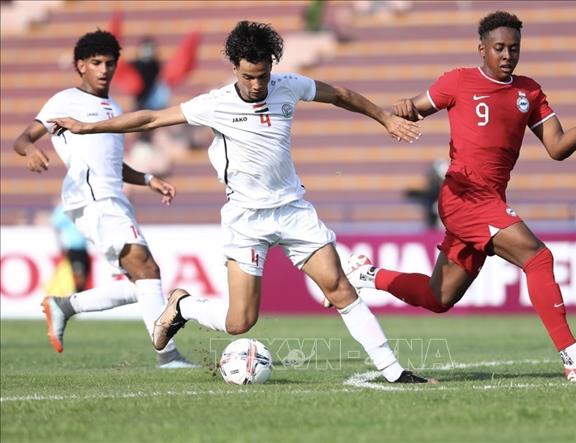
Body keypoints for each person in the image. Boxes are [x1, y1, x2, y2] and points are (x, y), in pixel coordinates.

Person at [49, 21, 427, 383]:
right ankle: (183, 306)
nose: (257, 84)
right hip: (246, 219)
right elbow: (150, 119)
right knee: (240, 322)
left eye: (262, 75)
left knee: (340, 288)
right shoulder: (215, 104)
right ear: (234, 68)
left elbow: (340, 95)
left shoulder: (289, 86)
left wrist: (385, 118)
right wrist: (88, 127)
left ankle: (393, 371)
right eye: (248, 76)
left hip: (292, 210)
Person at [330, 11, 576, 382]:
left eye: (514, 48)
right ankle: (573, 355)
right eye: (499, 48)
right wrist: (404, 108)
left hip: (488, 200)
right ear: (482, 49)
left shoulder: (529, 92)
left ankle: (366, 275)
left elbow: (557, 148)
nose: (507, 55)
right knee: (538, 257)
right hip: (464, 196)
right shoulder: (458, 81)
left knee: (439, 297)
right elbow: (412, 109)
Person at [13, 30, 196, 369]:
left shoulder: (113, 107)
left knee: (142, 282)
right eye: (96, 62)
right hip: (92, 198)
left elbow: (112, 163)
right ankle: (168, 355)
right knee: (147, 269)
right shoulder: (65, 100)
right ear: (80, 65)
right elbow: (22, 138)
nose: (103, 69)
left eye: (110, 63)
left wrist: (148, 179)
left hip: (113, 198)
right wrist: (31, 150)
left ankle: (64, 306)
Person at [51, 203, 90, 293]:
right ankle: (77, 295)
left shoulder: (81, 205)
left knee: (84, 272)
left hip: (83, 248)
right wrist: (60, 245)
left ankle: (78, 293)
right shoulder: (63, 209)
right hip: (73, 247)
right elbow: (56, 226)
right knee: (78, 273)